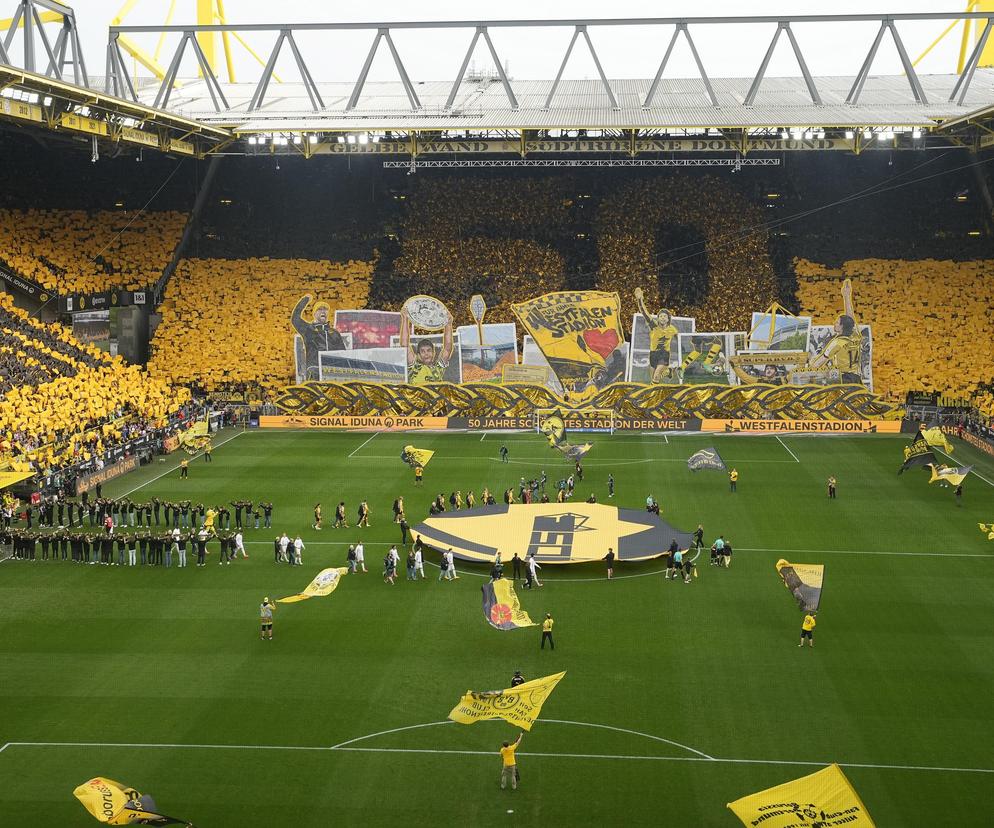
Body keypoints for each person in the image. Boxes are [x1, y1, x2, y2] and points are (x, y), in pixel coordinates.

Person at [292, 294, 346, 380]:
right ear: (314, 313)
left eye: (325, 309)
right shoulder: (308, 330)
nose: (323, 311)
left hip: (332, 372)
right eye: (320, 309)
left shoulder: (334, 333)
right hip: (315, 370)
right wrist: (305, 300)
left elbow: (343, 353)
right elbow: (295, 319)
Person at [635, 287, 680, 383]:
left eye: (665, 316)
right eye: (661, 316)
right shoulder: (653, 326)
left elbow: (681, 339)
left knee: (656, 376)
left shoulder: (672, 329)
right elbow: (644, 312)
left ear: (668, 319)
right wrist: (639, 300)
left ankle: (650, 395)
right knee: (655, 379)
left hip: (664, 354)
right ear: (658, 318)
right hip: (653, 354)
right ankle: (669, 371)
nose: (663, 318)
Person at [401, 306, 454, 384]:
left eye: (429, 350)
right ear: (418, 355)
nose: (426, 354)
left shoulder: (438, 369)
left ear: (434, 353)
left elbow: (447, 348)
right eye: (423, 351)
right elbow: (404, 345)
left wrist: (448, 324)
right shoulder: (414, 368)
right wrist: (405, 319)